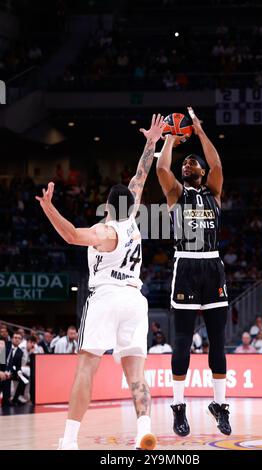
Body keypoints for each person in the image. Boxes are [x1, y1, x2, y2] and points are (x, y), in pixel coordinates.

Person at [36, 114, 165, 450]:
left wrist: (49, 209)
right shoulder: (133, 219)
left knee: (86, 369)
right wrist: (151, 141)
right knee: (136, 375)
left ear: (107, 206)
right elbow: (141, 174)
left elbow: (70, 235)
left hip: (106, 295)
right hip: (136, 299)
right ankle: (143, 430)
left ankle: (69, 439)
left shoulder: (104, 231)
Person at [156, 106, 231, 437]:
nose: (188, 164)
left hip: (213, 265)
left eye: (192, 162)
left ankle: (220, 405)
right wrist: (171, 138)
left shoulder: (214, 191)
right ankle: (178, 406)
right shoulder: (176, 193)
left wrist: (199, 132)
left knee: (218, 341)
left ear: (200, 171)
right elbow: (161, 167)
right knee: (183, 342)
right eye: (185, 163)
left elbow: (217, 163)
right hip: (186, 264)